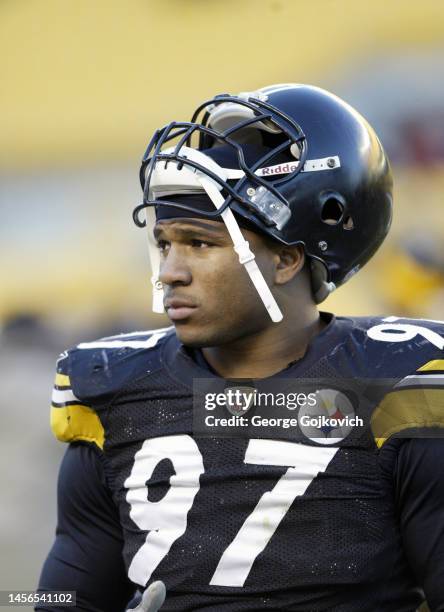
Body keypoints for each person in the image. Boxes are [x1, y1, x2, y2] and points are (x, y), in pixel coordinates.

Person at [36, 84, 444, 611]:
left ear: (287, 260)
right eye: (165, 243)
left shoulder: (401, 388)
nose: (171, 272)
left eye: (201, 244)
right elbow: (60, 599)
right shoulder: (114, 389)